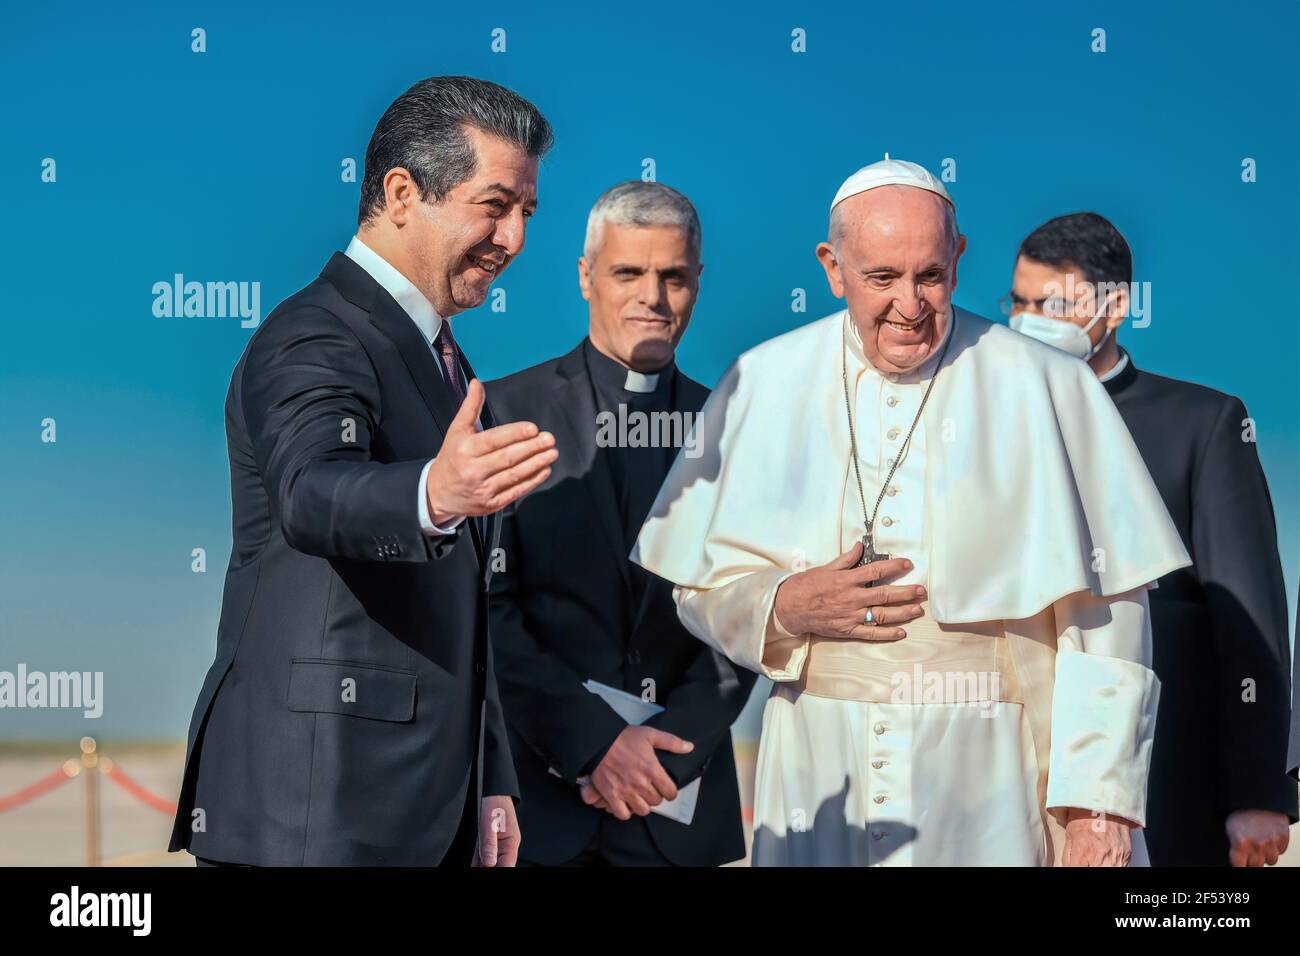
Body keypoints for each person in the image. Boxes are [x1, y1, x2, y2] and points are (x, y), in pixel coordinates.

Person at [632, 158, 1191, 866]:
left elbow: (1110, 615)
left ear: (958, 258)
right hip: (816, 760)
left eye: (930, 276)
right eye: (881, 279)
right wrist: (781, 607)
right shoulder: (762, 380)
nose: (910, 304)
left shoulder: (1047, 382)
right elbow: (698, 587)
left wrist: (1099, 808)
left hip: (992, 776)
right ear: (833, 268)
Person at [168, 75, 557, 866]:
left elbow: (462, 615)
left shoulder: (447, 364)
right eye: (495, 205)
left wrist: (489, 779)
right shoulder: (316, 332)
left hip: (424, 812)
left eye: (527, 213)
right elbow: (311, 494)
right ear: (403, 193)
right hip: (315, 810)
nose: (514, 238)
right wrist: (433, 492)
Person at [1007, 212, 1297, 866]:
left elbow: (1247, 619)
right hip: (1013, 774)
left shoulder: (1202, 423)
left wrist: (1259, 791)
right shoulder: (986, 423)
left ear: (1115, 306)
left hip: (1165, 780)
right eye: (1018, 302)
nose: (1027, 319)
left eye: (1050, 303)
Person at [487, 182, 755, 866]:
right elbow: (486, 610)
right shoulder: (501, 414)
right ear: (585, 276)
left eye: (673, 276)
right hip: (535, 809)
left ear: (698, 281)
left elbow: (743, 615)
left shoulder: (736, 430)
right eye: (628, 272)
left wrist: (662, 758)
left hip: (676, 809)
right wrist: (593, 744)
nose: (652, 298)